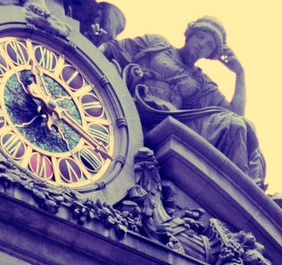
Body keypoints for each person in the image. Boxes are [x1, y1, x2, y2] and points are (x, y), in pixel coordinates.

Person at [100, 16, 266, 187]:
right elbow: (113, 49)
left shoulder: (201, 82)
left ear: (211, 54)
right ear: (190, 34)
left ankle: (244, 190)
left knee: (238, 125)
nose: (202, 44)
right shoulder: (158, 44)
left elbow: (236, 115)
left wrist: (239, 74)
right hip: (142, 106)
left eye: (210, 44)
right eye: (200, 36)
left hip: (176, 121)